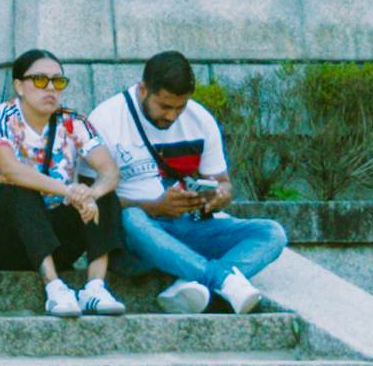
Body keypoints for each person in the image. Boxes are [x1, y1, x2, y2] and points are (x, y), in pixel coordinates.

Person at [92, 50, 288, 314]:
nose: (172, 116)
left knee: (271, 233)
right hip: (136, 241)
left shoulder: (200, 119)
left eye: (180, 107)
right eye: (164, 106)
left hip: (189, 228)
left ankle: (192, 285)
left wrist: (218, 196)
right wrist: (155, 207)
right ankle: (221, 281)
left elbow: (223, 183)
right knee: (133, 219)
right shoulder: (106, 119)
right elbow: (91, 198)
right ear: (142, 90)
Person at [0, 49, 123, 314]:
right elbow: (12, 170)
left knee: (104, 196)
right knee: (20, 191)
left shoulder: (74, 122)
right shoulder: (0, 119)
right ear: (19, 86)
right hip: (0, 235)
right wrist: (70, 191)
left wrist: (91, 194)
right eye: (40, 80)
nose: (50, 88)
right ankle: (54, 288)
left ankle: (95, 288)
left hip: (51, 236)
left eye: (58, 81)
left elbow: (110, 171)